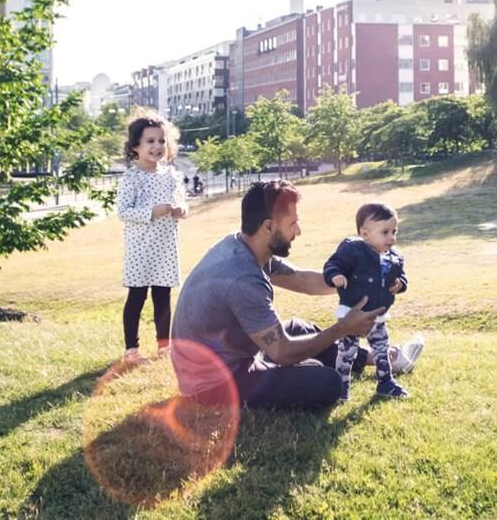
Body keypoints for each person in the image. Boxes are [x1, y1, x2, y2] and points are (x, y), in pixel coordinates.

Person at [170, 180, 383, 410]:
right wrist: (343, 328)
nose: (298, 231)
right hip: (214, 385)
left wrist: (360, 283)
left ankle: (380, 358)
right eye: (293, 224)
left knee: (300, 329)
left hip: (231, 356)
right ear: (268, 227)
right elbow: (281, 351)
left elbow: (301, 279)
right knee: (327, 383)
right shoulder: (242, 278)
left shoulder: (246, 245)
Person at [115, 111, 187, 364]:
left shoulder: (171, 175)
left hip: (165, 248)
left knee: (163, 297)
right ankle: (131, 351)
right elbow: (123, 212)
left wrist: (180, 211)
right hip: (140, 249)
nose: (157, 146)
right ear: (135, 146)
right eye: (150, 141)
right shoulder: (132, 178)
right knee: (136, 297)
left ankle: (164, 346)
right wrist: (151, 212)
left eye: (161, 141)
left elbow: (182, 206)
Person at [324, 203, 410, 400]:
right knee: (347, 353)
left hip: (377, 315)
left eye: (394, 231)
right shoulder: (353, 250)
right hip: (351, 314)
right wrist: (335, 275)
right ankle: (341, 387)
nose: (391, 238)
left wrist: (401, 284)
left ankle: (385, 382)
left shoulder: (395, 257)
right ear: (365, 234)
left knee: (381, 350)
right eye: (385, 232)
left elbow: (402, 276)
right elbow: (333, 264)